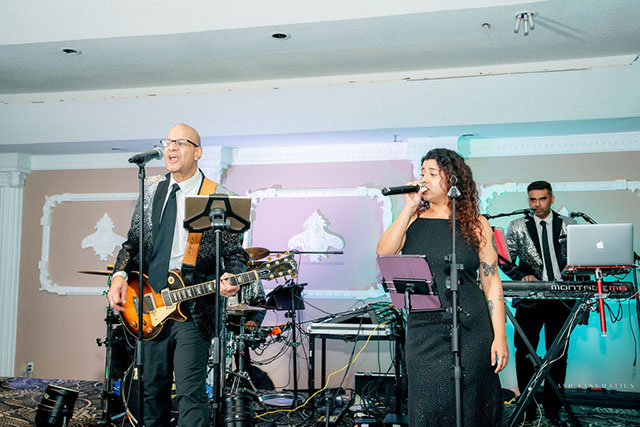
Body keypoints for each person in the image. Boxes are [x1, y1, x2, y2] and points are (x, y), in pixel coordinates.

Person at [107, 123, 249, 427]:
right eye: (168, 142)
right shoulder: (150, 189)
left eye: (181, 142)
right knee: (150, 391)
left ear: (198, 152)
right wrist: (119, 275)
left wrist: (233, 277)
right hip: (149, 304)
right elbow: (132, 243)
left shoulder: (219, 195)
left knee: (190, 393)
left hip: (194, 309)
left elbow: (236, 253)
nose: (171, 148)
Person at [377, 148, 508, 427]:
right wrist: (408, 208)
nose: (423, 179)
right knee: (429, 404)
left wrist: (500, 336)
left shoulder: (477, 225)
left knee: (472, 404)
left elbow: (491, 281)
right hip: (424, 329)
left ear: (453, 179)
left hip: (472, 328)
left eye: (432, 173)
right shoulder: (413, 220)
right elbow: (384, 253)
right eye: (422, 172)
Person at [505, 180, 575, 426]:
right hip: (529, 301)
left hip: (561, 300)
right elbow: (503, 259)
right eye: (532, 199)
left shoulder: (569, 224)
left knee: (558, 356)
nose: (536, 204)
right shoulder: (517, 226)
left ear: (552, 199)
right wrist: (521, 275)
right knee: (524, 354)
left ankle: (554, 410)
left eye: (542, 199)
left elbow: (579, 258)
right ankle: (528, 408)